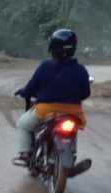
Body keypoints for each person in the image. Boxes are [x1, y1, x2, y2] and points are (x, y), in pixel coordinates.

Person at [14, 28, 91, 163]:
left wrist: (24, 92)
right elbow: (86, 93)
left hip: (46, 111)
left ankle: (25, 154)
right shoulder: (81, 69)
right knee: (73, 130)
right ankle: (71, 153)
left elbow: (31, 87)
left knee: (23, 125)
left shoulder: (45, 66)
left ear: (53, 47)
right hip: (73, 112)